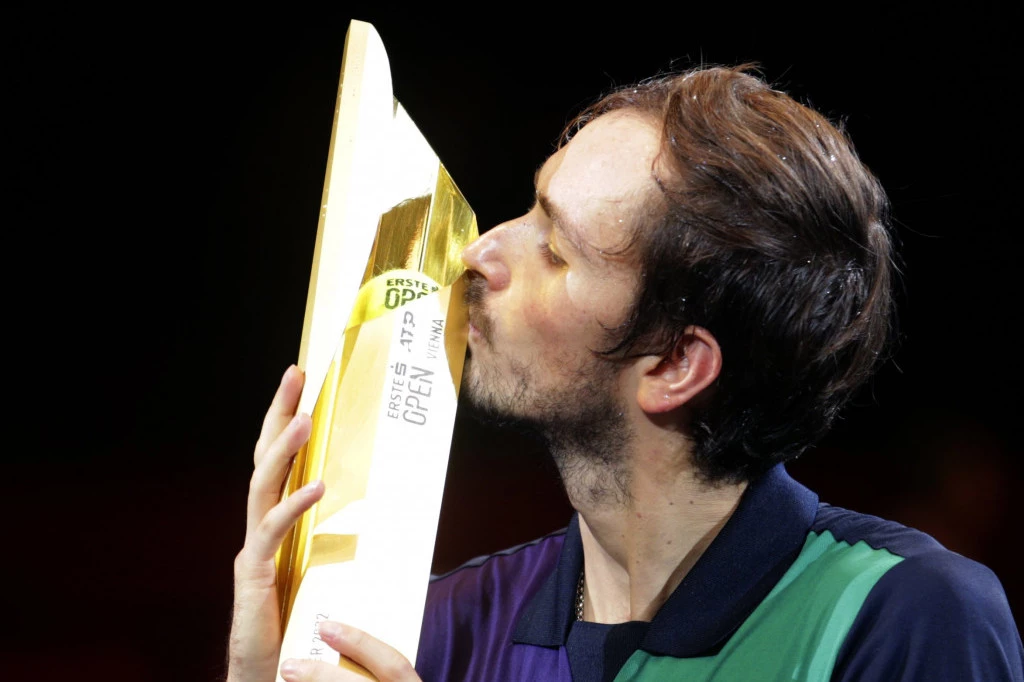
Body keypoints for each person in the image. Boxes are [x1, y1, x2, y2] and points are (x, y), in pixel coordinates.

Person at [227, 65, 1023, 681]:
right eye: (531, 205)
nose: (481, 251)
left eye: (554, 249)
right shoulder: (445, 625)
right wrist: (255, 672)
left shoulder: (906, 618)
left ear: (675, 363)